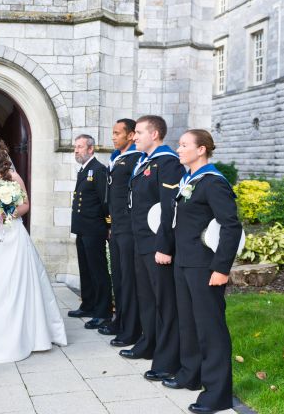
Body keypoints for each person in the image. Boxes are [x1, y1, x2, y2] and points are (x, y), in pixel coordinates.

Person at [0, 134, 67, 363]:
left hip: (11, 235)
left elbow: (25, 204)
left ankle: (20, 333)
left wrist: (9, 212)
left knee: (12, 284)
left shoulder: (12, 176)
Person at [168, 129, 241, 414]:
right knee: (188, 323)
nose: (179, 149)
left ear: (201, 150)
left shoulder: (213, 183)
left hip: (204, 267)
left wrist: (221, 268)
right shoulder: (190, 180)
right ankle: (191, 374)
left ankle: (217, 394)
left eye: (184, 145)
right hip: (184, 262)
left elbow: (231, 227)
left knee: (211, 329)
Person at [121, 115, 185, 384]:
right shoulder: (144, 162)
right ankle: (149, 343)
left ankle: (168, 359)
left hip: (156, 246)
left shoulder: (167, 162)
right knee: (146, 298)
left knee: (165, 303)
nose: (134, 137)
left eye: (138, 132)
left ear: (155, 134)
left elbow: (169, 208)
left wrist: (164, 246)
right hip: (141, 242)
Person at [100, 119, 143, 348]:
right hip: (116, 227)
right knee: (117, 277)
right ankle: (120, 320)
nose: (113, 136)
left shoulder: (136, 158)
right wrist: (109, 224)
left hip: (128, 228)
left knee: (129, 280)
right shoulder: (117, 157)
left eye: (117, 133)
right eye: (113, 132)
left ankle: (131, 329)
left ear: (131, 135)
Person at [67, 134, 113, 329]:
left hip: (95, 229)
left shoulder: (99, 170)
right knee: (85, 270)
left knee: (98, 271)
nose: (76, 150)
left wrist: (109, 225)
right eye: (75, 147)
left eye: (80, 147)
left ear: (91, 149)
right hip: (82, 228)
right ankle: (88, 304)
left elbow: (105, 201)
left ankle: (103, 312)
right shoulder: (84, 170)